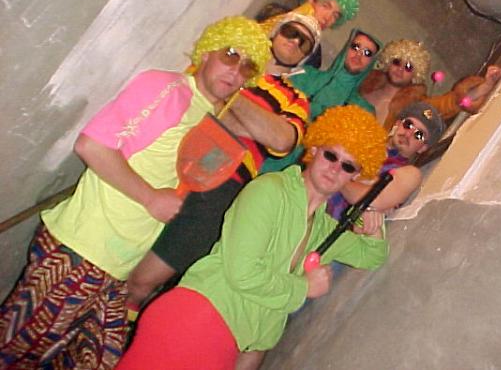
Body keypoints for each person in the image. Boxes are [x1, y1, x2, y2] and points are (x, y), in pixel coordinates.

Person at [0, 16, 271, 369]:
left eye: (247, 66)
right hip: (80, 253)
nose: (235, 70)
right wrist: (149, 197)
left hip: (115, 273)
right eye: (230, 54)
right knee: (14, 351)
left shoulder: (204, 117)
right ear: (207, 52)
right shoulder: (167, 89)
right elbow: (92, 146)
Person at [116, 105, 389, 370]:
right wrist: (303, 288)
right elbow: (242, 272)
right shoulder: (269, 191)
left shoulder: (322, 228)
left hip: (223, 339)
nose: (335, 169)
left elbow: (372, 255)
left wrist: (370, 219)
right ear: (315, 150)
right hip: (195, 320)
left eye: (348, 166)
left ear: (356, 175)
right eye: (331, 155)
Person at [125, 13, 321, 315]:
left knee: (142, 282)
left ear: (306, 57)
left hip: (223, 186)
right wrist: (253, 124)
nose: (295, 41)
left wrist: (230, 93)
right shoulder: (228, 57)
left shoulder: (295, 98)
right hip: (170, 159)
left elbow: (282, 140)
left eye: (304, 42)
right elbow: (193, 100)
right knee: (117, 258)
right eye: (291, 32)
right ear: (275, 31)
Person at [259, 28, 381, 174]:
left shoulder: (363, 111)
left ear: (372, 62)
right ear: (346, 47)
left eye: (367, 53)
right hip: (263, 153)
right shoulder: (305, 75)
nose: (358, 54)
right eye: (355, 47)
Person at [327, 101, 446, 221]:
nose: (408, 134)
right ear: (398, 124)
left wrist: (336, 174)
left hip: (330, 223)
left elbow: (369, 201)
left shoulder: (409, 174)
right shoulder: (362, 140)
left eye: (419, 135)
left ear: (423, 148)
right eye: (408, 124)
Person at [360, 39, 501, 130]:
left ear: (416, 74)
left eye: (409, 67)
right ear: (388, 61)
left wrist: (486, 85)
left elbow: (449, 103)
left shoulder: (414, 104)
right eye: (397, 62)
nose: (400, 69)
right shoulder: (363, 82)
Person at [259, 0, 360, 68]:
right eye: (325, 6)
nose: (327, 18)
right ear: (311, 0)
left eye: (335, 15)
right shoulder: (275, 14)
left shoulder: (314, 55)